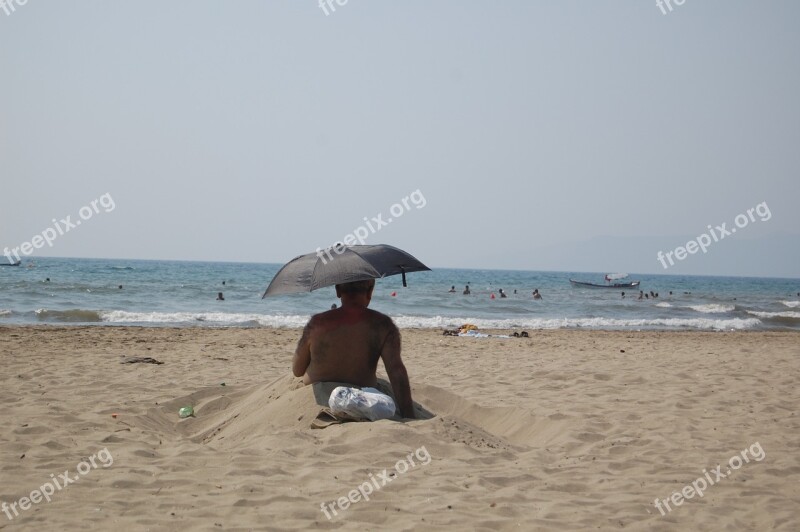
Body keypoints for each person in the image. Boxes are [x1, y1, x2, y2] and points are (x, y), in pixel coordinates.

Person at [293, 279, 415, 419]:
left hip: (319, 400)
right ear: (370, 291)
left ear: (338, 290)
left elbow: (297, 370)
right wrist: (409, 415)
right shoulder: (383, 325)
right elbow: (396, 371)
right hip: (364, 397)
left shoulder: (317, 323)